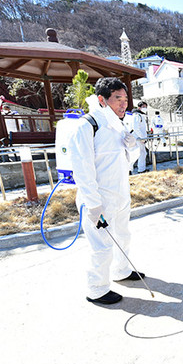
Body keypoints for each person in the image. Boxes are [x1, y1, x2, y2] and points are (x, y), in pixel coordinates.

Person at [69, 77, 142, 305]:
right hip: (99, 200)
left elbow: (125, 162)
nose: (124, 104)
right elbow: (83, 170)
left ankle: (121, 271)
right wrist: (93, 204)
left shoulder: (118, 124)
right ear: (102, 100)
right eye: (118, 99)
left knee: (123, 236)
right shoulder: (88, 125)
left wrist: (132, 146)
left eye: (126, 99)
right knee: (102, 246)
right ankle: (97, 289)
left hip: (120, 195)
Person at [130, 101, 149, 173]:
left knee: (141, 153)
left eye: (145, 107)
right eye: (143, 107)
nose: (145, 108)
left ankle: (139, 169)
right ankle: (140, 169)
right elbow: (136, 127)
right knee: (139, 154)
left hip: (139, 138)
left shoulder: (139, 115)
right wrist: (142, 137)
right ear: (139, 107)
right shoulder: (137, 116)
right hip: (138, 138)